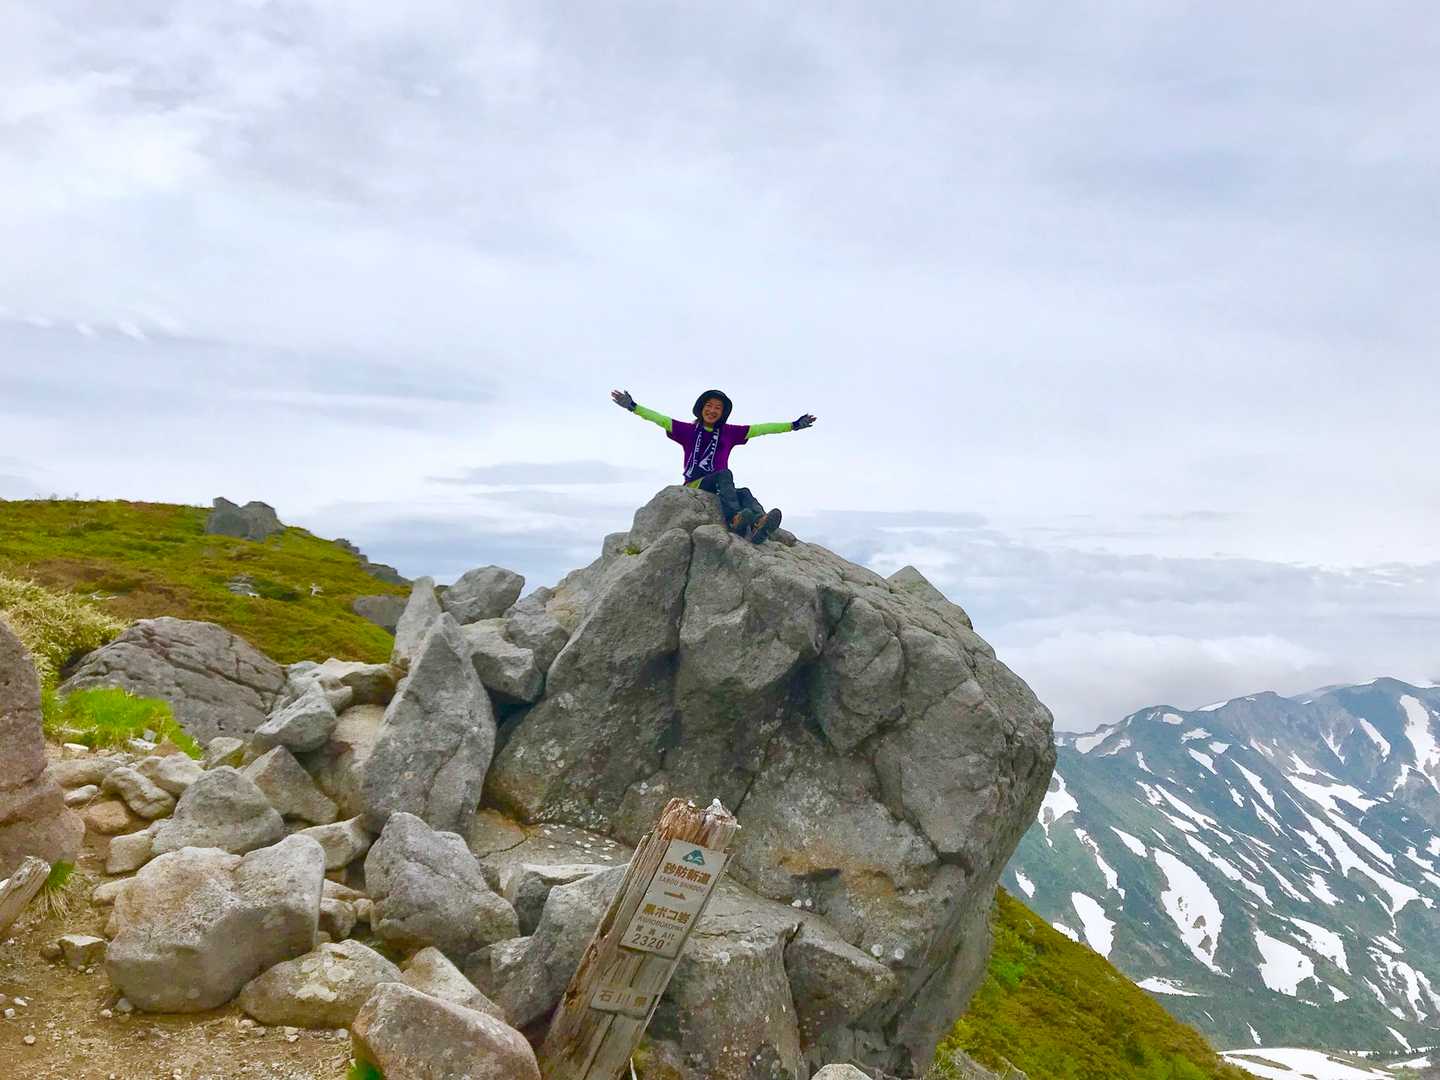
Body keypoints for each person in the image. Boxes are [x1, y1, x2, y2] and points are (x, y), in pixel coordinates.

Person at [610, 388, 817, 543]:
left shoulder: (729, 432)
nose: (712, 410)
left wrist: (793, 425)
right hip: (695, 485)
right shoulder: (687, 430)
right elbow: (659, 419)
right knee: (723, 474)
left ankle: (759, 524)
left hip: (719, 488)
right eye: (708, 406)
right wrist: (633, 406)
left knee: (744, 492)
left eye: (718, 408)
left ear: (723, 413)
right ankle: (735, 519)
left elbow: (763, 429)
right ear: (701, 408)